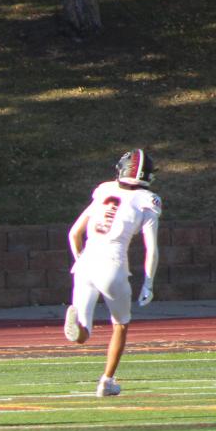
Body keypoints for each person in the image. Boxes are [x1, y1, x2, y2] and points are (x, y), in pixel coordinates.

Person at [63, 148, 162, 397]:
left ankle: (79, 330)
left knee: (83, 333)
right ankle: (106, 382)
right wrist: (148, 283)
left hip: (86, 262)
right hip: (113, 264)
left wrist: (81, 262)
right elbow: (151, 248)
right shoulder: (147, 201)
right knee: (120, 324)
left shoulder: (105, 191)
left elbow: (74, 233)